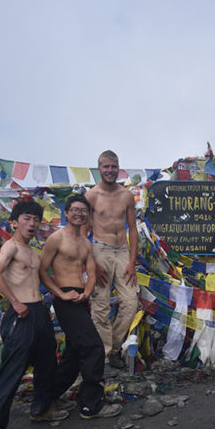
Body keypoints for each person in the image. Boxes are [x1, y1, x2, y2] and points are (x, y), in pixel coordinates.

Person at [0, 201, 69, 429]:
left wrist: (58, 298)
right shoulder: (10, 247)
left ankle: (40, 410)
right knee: (13, 368)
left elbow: (43, 279)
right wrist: (15, 302)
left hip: (38, 310)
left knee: (47, 364)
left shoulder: (33, 252)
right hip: (19, 313)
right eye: (27, 219)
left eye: (36, 220)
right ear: (14, 221)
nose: (32, 224)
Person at [39, 194, 122, 420]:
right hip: (66, 301)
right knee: (93, 347)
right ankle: (90, 405)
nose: (79, 213)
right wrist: (61, 294)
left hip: (81, 299)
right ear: (66, 213)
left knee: (74, 354)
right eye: (74, 210)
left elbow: (92, 273)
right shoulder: (56, 238)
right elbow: (42, 271)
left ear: (88, 215)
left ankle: (46, 398)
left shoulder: (86, 242)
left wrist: (86, 292)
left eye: (83, 211)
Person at [86, 150, 139, 370]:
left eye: (113, 166)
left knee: (131, 302)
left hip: (123, 251)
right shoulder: (91, 196)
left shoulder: (126, 195)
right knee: (100, 304)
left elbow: (133, 230)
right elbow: (82, 233)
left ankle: (115, 346)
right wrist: (92, 263)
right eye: (106, 167)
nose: (110, 171)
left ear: (119, 168)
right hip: (99, 250)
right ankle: (106, 354)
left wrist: (132, 261)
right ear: (99, 168)